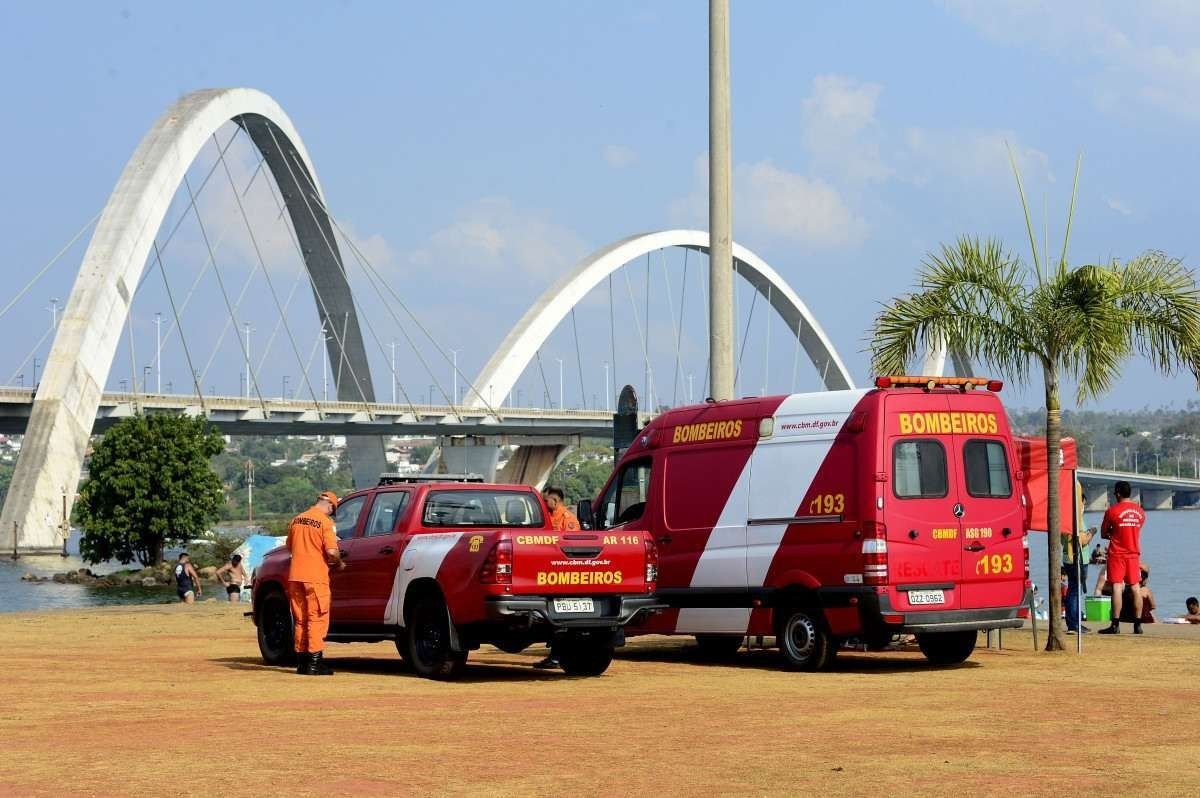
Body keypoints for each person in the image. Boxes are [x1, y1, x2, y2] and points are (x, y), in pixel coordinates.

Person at [286, 491, 344, 675]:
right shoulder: (325, 522)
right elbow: (332, 553)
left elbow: (289, 545)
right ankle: (314, 663)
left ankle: (302, 663)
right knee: (317, 618)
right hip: (315, 577)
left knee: (301, 620)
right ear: (330, 506)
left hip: (295, 576)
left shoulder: (297, 520)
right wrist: (340, 563)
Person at [533, 486, 580, 670]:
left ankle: (556, 657)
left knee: (560, 618)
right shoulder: (547, 516)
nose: (544, 503)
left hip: (562, 573)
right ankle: (554, 656)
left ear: (556, 500)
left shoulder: (567, 519)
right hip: (548, 573)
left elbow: (571, 546)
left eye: (546, 500)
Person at [1098, 481, 1146, 635]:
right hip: (1133, 554)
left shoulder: (1112, 511)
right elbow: (1137, 529)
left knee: (1117, 587)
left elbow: (1103, 533)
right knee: (1135, 587)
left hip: (1117, 554)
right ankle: (1138, 625)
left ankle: (1115, 625)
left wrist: (1114, 533)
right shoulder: (1140, 512)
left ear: (1118, 493)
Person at [1062, 480, 1095, 634]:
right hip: (1078, 558)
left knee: (1072, 590)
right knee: (1075, 591)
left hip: (1067, 558)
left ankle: (1072, 622)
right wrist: (1092, 532)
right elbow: (1081, 540)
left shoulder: (1064, 517)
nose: (1084, 507)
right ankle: (1074, 624)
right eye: (1083, 503)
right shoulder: (1076, 519)